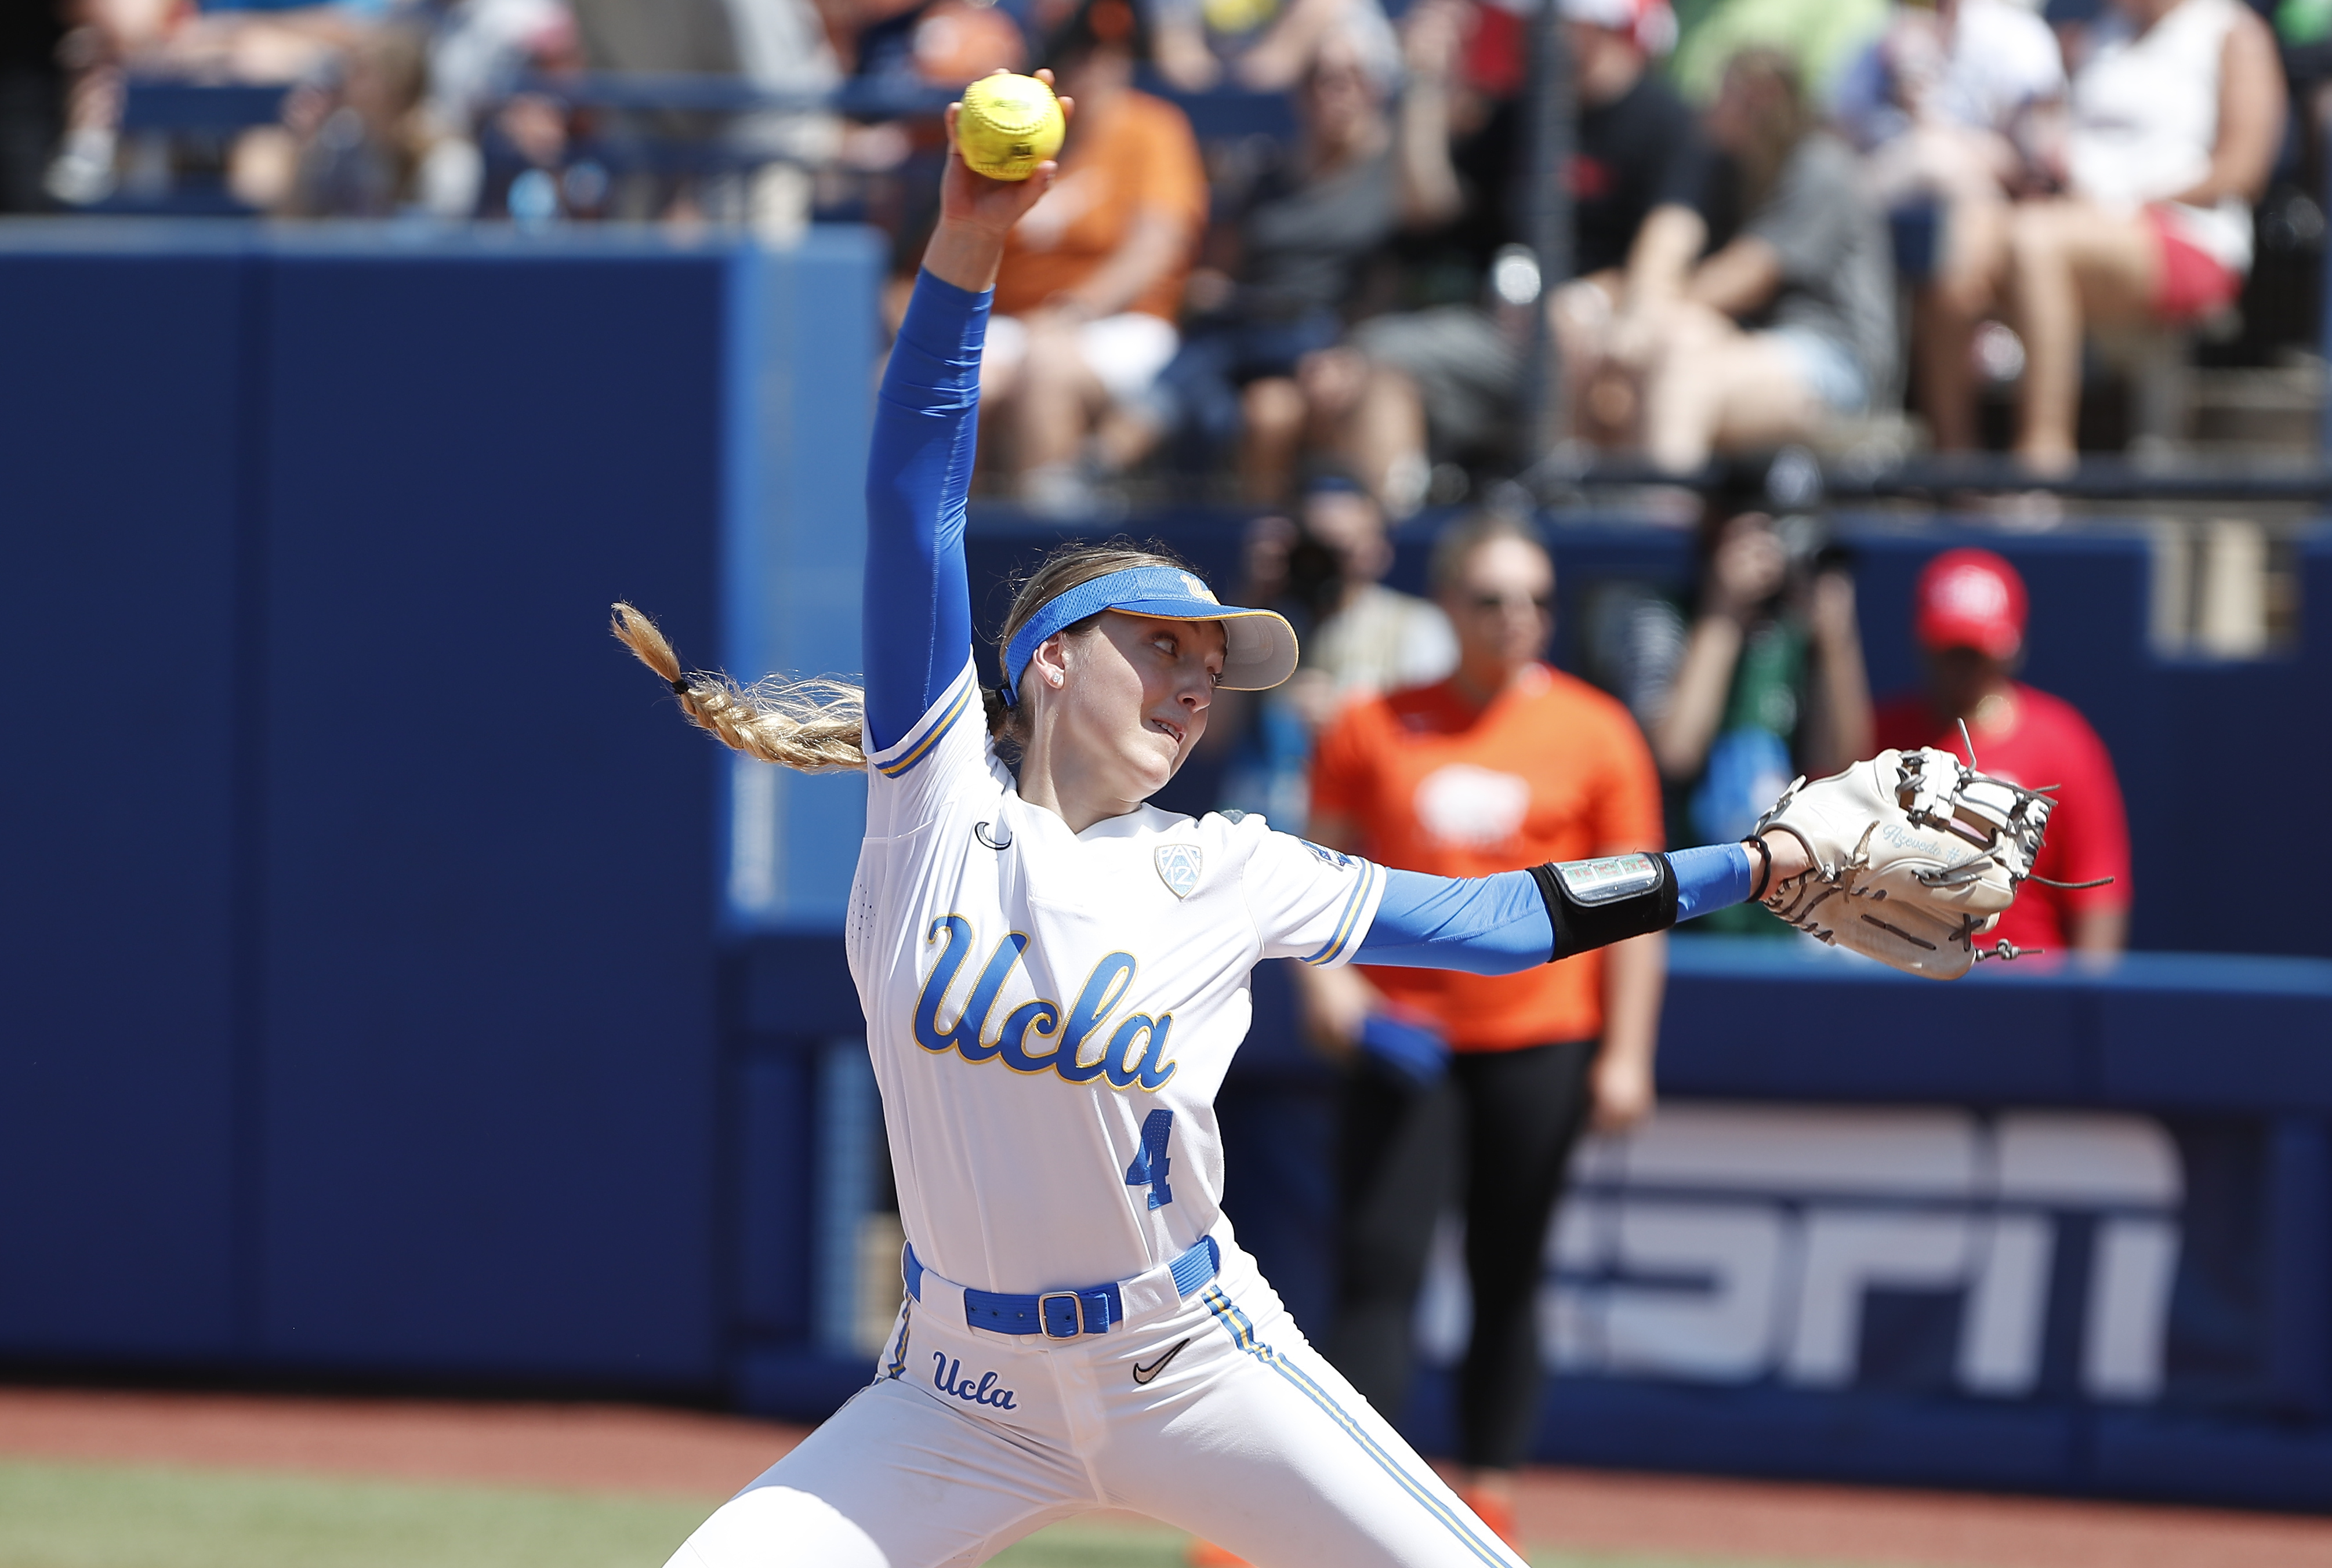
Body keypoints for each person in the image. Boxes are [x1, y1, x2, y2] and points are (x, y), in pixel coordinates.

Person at [632, 68, 1811, 1568]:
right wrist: (967, 244)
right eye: (1163, 648)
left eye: (1213, 667)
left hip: (1188, 1360)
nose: (1196, 687)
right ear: (1049, 661)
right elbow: (912, 499)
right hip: (954, 1395)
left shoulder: (1229, 869)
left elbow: (1502, 921)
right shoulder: (930, 807)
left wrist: (1755, 862)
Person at [1300, 513, 1667, 1551]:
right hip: (1404, 1039)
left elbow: (1639, 911)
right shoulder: (1372, 722)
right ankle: (1346, 1497)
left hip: (1537, 1037)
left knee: (1508, 1273)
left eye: (1538, 599)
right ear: (1450, 605)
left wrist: (1628, 1051)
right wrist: (1328, 990)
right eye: (1495, 598)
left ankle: (1488, 1503)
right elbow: (1312, 874)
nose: (1519, 619)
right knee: (1379, 1267)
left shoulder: (1597, 731)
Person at [1921, 0, 2284, 466]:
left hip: (2186, 234)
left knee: (2034, 241)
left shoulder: (2233, 31)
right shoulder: (2099, 34)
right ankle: (1953, 464)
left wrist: (2128, 203)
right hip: (2078, 216)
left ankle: (2043, 464)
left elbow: (2243, 171)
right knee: (1957, 236)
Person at [1118, 31, 1397, 502]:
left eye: (1350, 79)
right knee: (1210, 399)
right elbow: (1221, 269)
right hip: (1249, 328)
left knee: (1262, 404)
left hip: (1319, 337)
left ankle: (1107, 456)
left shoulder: (1389, 180)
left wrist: (1350, 350)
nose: (1334, 92)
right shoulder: (1266, 174)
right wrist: (1211, 290)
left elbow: (1388, 284)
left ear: (1374, 89)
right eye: (1319, 80)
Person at [1585, 481, 1872, 932]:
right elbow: (1676, 751)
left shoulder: (1797, 635)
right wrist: (1722, 612)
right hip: (1681, 908)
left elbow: (1841, 765)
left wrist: (1836, 640)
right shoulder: (1661, 615)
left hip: (1781, 917)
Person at [1624, 49, 1898, 473]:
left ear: (1760, 98)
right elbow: (1670, 231)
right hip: (1753, 347)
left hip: (1837, 362)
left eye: (1723, 95)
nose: (1709, 106)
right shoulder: (1725, 164)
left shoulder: (1821, 163)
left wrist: (1648, 321)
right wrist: (1636, 320)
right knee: (1659, 346)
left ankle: (1662, 521)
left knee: (1683, 365)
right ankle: (1585, 506)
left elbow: (1748, 277)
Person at [982, 0, 1207, 512]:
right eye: (1079, 52)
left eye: (1109, 52)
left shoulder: (1152, 128)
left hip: (1121, 326)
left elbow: (1155, 248)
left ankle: (1054, 559)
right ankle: (937, 557)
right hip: (1016, 323)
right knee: (922, 379)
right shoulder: (1015, 137)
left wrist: (1070, 313)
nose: (1094, 65)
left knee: (1045, 370)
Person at [1829, 0, 2066, 453]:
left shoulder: (2014, 37)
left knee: (1947, 230)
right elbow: (1836, 147)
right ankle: (1944, 455)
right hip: (1884, 228)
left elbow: (2039, 166)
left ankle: (1963, 452)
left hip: (1999, 216)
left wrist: (1929, 114)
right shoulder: (1872, 45)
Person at [1874, 547, 2130, 955]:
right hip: (1904, 975)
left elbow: (2097, 893)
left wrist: (2084, 1007)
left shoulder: (2062, 742)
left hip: (2023, 983)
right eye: (1948, 650)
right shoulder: (1883, 739)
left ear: (2008, 649)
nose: (1959, 667)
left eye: (1973, 652)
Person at [1209, 474, 1458, 830]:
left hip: (1358, 845)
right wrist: (1252, 596)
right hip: (1259, 838)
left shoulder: (1417, 627)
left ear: (1379, 549)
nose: (1328, 562)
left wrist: (1349, 723)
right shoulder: (1265, 623)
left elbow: (1442, 752)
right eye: (1316, 545)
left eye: (1343, 548)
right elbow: (1210, 735)